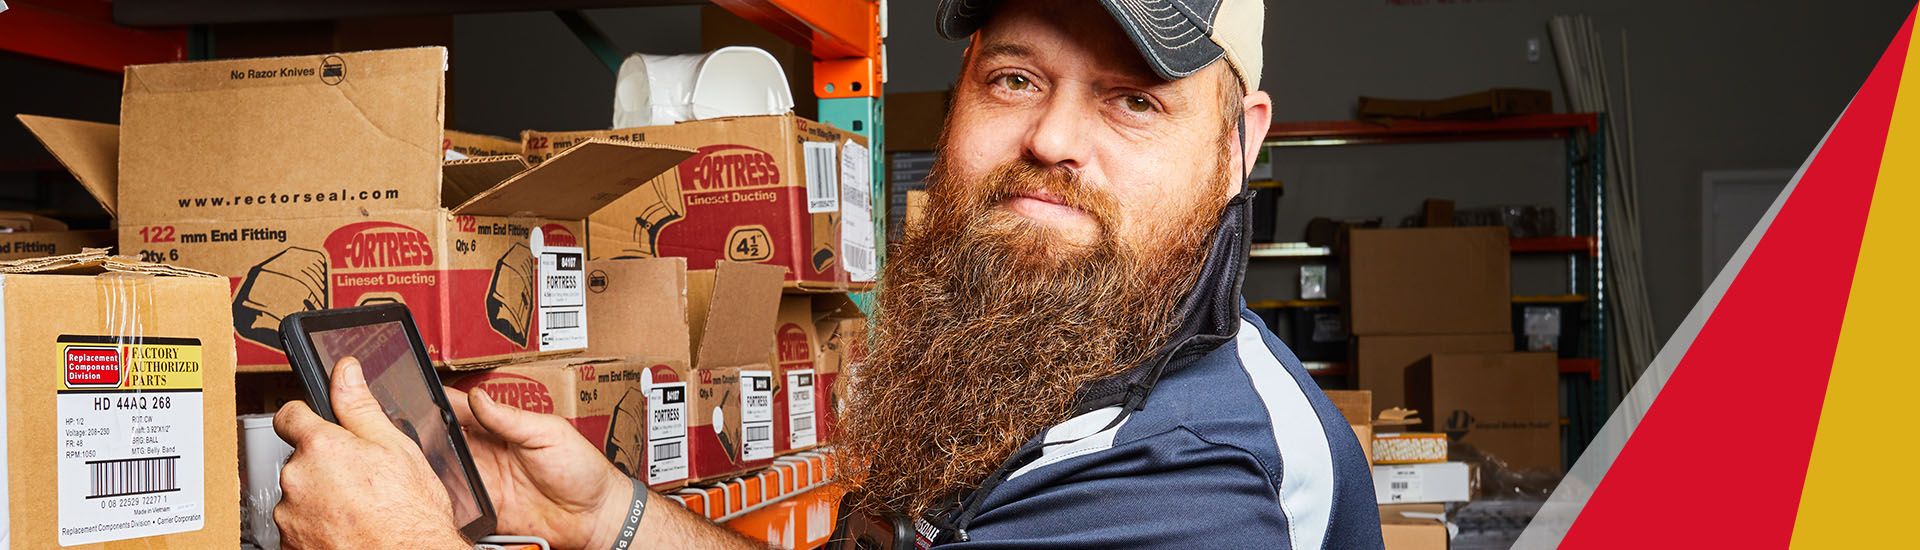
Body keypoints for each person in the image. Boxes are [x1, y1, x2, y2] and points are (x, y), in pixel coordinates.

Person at [270, 1, 1383, 548]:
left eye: (1134, 98)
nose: (1052, 138)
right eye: (1013, 78)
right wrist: (610, 513)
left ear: (1241, 142)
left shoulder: (1191, 489)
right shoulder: (1047, 360)